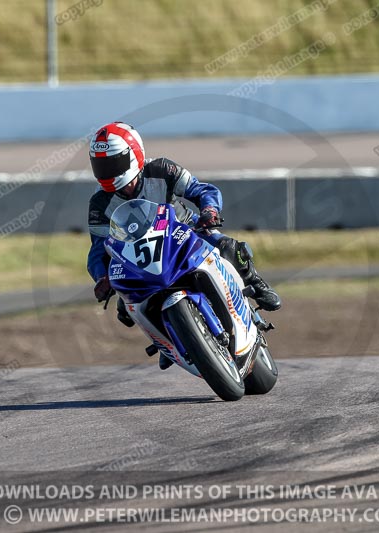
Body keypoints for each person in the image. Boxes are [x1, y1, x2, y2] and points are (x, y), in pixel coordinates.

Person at [86, 122, 281, 368]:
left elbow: (202, 190)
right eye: (100, 165)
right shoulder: (99, 203)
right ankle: (168, 339)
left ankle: (255, 282)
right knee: (125, 305)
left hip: (184, 235)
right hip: (140, 259)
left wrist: (209, 209)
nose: (107, 172)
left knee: (229, 246)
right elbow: (98, 250)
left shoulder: (163, 169)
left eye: (112, 163)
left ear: (134, 153)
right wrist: (101, 277)